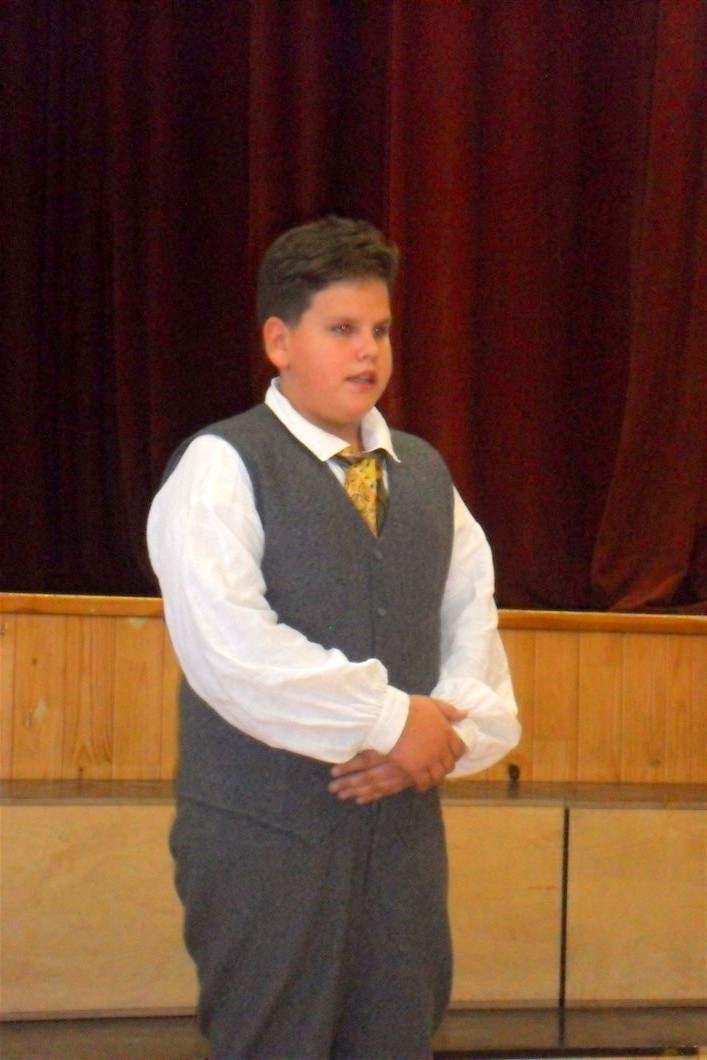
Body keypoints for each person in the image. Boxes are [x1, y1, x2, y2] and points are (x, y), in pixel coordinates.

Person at [147, 215, 520, 1060]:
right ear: (279, 341)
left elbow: (472, 626)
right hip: (264, 843)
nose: (367, 352)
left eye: (380, 330)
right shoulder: (221, 465)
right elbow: (231, 650)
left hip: (402, 847)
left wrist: (439, 737)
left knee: (398, 1039)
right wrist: (390, 720)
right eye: (342, 329)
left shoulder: (425, 475)